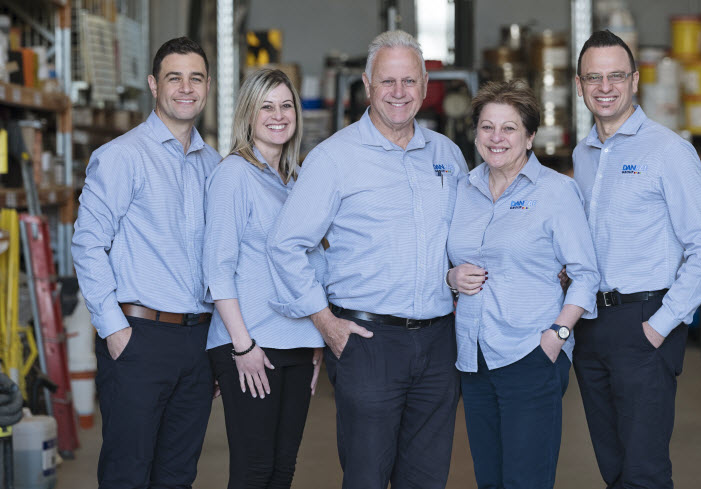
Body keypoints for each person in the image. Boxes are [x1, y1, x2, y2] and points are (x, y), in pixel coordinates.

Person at [267, 30, 468, 489]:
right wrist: (325, 322)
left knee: (428, 478)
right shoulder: (333, 159)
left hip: (439, 344)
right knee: (367, 477)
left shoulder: (448, 155)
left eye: (409, 81)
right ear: (367, 84)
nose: (399, 92)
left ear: (424, 85)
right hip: (368, 342)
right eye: (387, 81)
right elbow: (285, 245)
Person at [571, 30, 701, 489]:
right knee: (613, 467)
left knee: (644, 472)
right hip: (591, 323)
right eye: (593, 77)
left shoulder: (668, 151)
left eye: (616, 76)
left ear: (635, 81)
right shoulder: (583, 153)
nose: (605, 87)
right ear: (579, 86)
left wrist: (661, 325)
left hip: (645, 320)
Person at [71, 37, 221, 489]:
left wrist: (220, 343)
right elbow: (87, 244)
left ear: (208, 86)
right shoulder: (122, 156)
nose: (186, 88)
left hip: (198, 341)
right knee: (127, 475)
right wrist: (114, 330)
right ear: (155, 85)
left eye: (195, 78)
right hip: (139, 337)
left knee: (178, 476)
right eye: (174, 78)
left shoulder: (214, 164)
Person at [446, 80, 600, 489]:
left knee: (525, 480)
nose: (496, 138)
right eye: (487, 127)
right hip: (473, 356)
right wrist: (451, 277)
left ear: (530, 137)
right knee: (489, 479)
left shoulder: (556, 191)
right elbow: (447, 260)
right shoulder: (463, 189)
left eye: (509, 128)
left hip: (530, 353)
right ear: (475, 134)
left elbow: (585, 273)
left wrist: (557, 335)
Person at [203, 68, 325, 488]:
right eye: (266, 107)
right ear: (248, 115)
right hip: (251, 342)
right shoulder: (234, 174)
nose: (278, 115)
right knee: (254, 470)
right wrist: (243, 346)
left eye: (286, 105)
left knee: (282, 469)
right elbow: (218, 268)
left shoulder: (296, 181)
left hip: (296, 342)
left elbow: (310, 265)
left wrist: (315, 340)